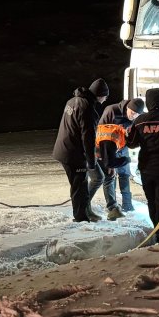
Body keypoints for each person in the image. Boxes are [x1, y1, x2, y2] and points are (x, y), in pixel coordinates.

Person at [53, 78, 107, 222]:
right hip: (73, 153)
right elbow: (87, 138)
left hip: (64, 148)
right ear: (100, 95)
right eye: (105, 96)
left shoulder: (73, 101)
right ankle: (81, 219)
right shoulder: (87, 108)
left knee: (79, 185)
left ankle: (84, 213)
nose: (105, 100)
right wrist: (91, 161)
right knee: (79, 187)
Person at [127, 89, 159, 242]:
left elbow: (131, 144)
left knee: (152, 201)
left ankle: (157, 230)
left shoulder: (140, 121)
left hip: (146, 168)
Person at [99, 97, 144, 213]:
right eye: (132, 113)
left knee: (124, 175)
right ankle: (112, 206)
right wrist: (105, 156)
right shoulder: (111, 111)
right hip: (108, 148)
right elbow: (101, 133)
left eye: (136, 115)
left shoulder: (135, 118)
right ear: (127, 107)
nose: (133, 116)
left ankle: (127, 205)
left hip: (122, 148)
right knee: (110, 176)